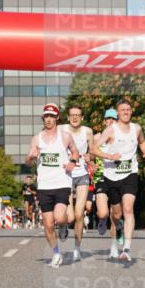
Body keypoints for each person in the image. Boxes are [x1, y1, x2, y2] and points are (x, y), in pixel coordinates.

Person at [91, 100, 145, 263]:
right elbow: (93, 149)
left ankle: (126, 248)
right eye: (122, 110)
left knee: (128, 208)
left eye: (128, 109)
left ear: (131, 111)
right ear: (118, 113)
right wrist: (109, 156)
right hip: (111, 176)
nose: (126, 112)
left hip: (130, 174)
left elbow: (142, 142)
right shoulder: (111, 130)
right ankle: (117, 228)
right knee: (116, 214)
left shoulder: (136, 128)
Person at [25, 103, 79, 268]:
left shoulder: (65, 136)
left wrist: (72, 162)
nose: (48, 119)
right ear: (43, 119)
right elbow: (27, 162)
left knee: (60, 217)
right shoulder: (37, 138)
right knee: (48, 224)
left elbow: (75, 152)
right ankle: (56, 254)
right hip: (44, 185)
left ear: (57, 118)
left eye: (51, 116)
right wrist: (31, 157)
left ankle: (63, 226)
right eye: (46, 117)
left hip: (62, 182)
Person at [59, 104, 94, 262]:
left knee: (80, 214)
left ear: (82, 117)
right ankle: (64, 225)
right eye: (72, 115)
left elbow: (92, 152)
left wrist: (89, 157)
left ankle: (77, 249)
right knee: (71, 217)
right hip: (65, 175)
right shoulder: (61, 130)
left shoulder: (88, 131)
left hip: (82, 175)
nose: (75, 118)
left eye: (78, 115)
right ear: (68, 117)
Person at [91, 109, 118, 242]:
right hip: (101, 178)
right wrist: (91, 163)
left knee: (116, 214)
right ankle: (102, 219)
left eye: (114, 119)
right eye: (108, 118)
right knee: (103, 212)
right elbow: (89, 155)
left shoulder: (121, 138)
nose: (111, 121)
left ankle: (114, 247)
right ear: (104, 121)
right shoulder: (97, 138)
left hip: (117, 178)